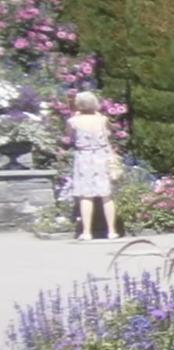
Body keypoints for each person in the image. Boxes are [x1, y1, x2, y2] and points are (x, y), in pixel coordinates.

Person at [67, 91, 119, 240]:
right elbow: (112, 132)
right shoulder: (102, 120)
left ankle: (87, 232)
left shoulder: (73, 121)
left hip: (84, 157)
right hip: (101, 156)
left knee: (86, 196)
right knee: (106, 195)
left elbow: (68, 136)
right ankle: (111, 231)